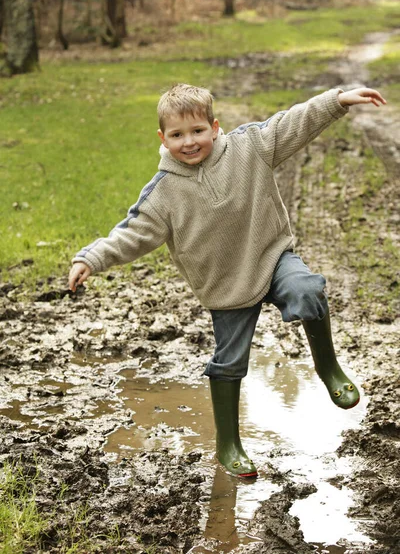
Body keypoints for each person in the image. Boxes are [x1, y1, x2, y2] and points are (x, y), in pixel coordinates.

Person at [69, 83, 386, 478]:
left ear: (215, 127)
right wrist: (90, 258)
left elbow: (294, 123)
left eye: (198, 130)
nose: (189, 142)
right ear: (162, 138)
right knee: (229, 362)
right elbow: (129, 235)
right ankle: (228, 444)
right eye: (177, 135)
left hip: (271, 258)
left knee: (308, 289)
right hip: (225, 286)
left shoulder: (249, 147)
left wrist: (335, 101)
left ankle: (329, 368)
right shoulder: (163, 194)